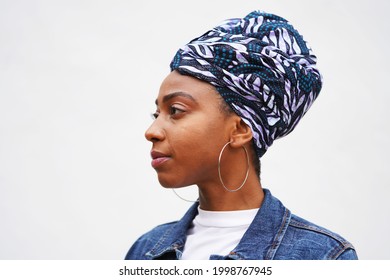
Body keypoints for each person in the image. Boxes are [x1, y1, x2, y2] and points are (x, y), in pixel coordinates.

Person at [125, 10, 358, 260]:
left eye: (176, 110)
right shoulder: (146, 250)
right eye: (156, 114)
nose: (152, 132)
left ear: (240, 130)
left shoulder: (322, 258)